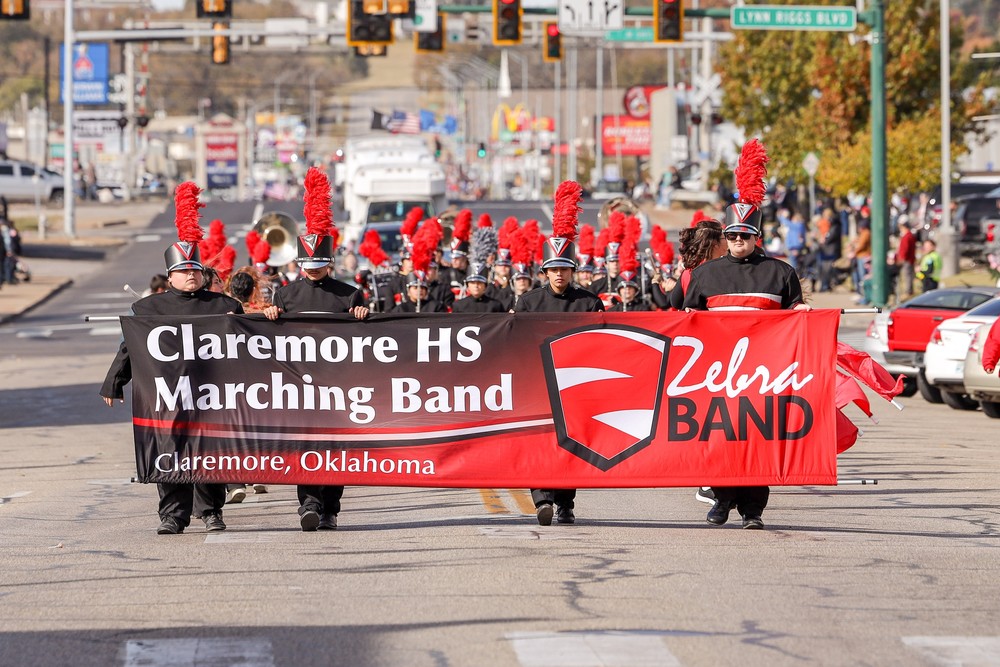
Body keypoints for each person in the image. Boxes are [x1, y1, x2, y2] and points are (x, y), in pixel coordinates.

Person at [100, 182, 244, 535]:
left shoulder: (226, 305)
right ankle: (173, 515)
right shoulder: (149, 308)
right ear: (170, 276)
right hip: (168, 394)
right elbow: (131, 347)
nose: (191, 275)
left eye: (196, 270)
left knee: (211, 451)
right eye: (184, 271)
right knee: (170, 451)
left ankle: (211, 511)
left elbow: (251, 346)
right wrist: (114, 382)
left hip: (213, 394)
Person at [682, 139, 812, 531]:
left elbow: (794, 316)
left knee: (758, 440)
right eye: (733, 235)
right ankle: (722, 500)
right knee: (722, 439)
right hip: (717, 373)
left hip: (765, 373)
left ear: (757, 237)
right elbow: (689, 320)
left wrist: (802, 315)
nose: (738, 241)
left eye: (745, 235)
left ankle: (753, 510)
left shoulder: (780, 272)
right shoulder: (705, 274)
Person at [262, 168, 369, 532]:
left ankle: (330, 509)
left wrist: (362, 317)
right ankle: (308, 503)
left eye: (318, 264)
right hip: (299, 385)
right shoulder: (286, 294)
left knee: (335, 449)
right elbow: (270, 340)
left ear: (329, 263)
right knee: (304, 446)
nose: (312, 270)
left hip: (339, 385)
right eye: (308, 264)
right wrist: (271, 316)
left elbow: (372, 341)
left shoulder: (349, 294)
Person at [513, 181, 604, 526]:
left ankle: (566, 502)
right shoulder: (528, 302)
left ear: (572, 271)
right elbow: (514, 342)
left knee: (570, 444)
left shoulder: (589, 302)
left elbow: (602, 341)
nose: (559, 274)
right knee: (537, 443)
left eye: (564, 269)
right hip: (537, 384)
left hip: (575, 383)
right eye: (553, 269)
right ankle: (542, 499)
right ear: (545, 272)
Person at [895, 216, 917, 301]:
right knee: (907, 276)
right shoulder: (908, 236)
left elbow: (905, 249)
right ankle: (908, 291)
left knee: (907, 276)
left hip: (907, 260)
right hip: (908, 259)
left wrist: (901, 259)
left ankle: (908, 292)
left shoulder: (907, 236)